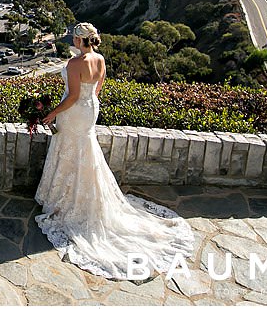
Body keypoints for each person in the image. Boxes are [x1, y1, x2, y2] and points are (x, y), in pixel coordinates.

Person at [34, 22, 195, 279]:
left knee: (70, 148)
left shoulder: (75, 64)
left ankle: (64, 199)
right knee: (85, 151)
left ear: (78, 40)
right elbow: (97, 90)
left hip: (75, 112)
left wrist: (52, 113)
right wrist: (89, 103)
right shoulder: (100, 59)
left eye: (74, 38)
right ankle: (80, 198)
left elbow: (73, 96)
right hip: (90, 111)